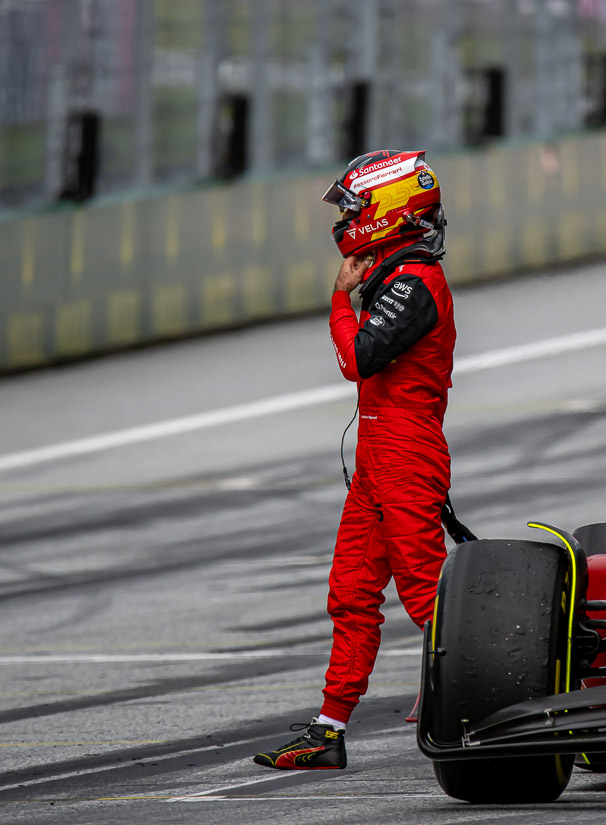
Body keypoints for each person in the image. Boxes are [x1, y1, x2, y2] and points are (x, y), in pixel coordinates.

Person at [252, 150, 456, 771]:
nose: (345, 217)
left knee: (431, 598)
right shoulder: (397, 277)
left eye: (354, 206)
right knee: (350, 593)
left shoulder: (417, 281)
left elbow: (356, 360)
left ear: (387, 211)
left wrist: (340, 301)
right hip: (376, 456)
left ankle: (494, 702)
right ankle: (327, 730)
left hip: (405, 452)